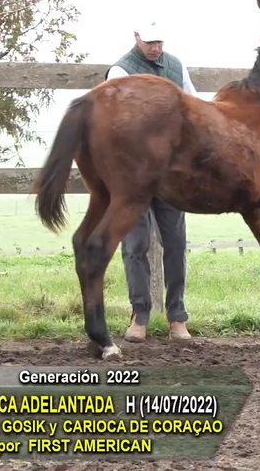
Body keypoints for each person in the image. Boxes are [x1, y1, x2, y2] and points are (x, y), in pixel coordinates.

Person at [105, 20, 199, 342]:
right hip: (133, 174)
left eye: (159, 41)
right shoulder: (120, 72)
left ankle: (177, 317)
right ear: (135, 36)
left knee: (175, 243)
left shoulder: (176, 66)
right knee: (135, 244)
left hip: (171, 173)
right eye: (149, 42)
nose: (156, 48)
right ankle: (139, 315)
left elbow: (195, 108)